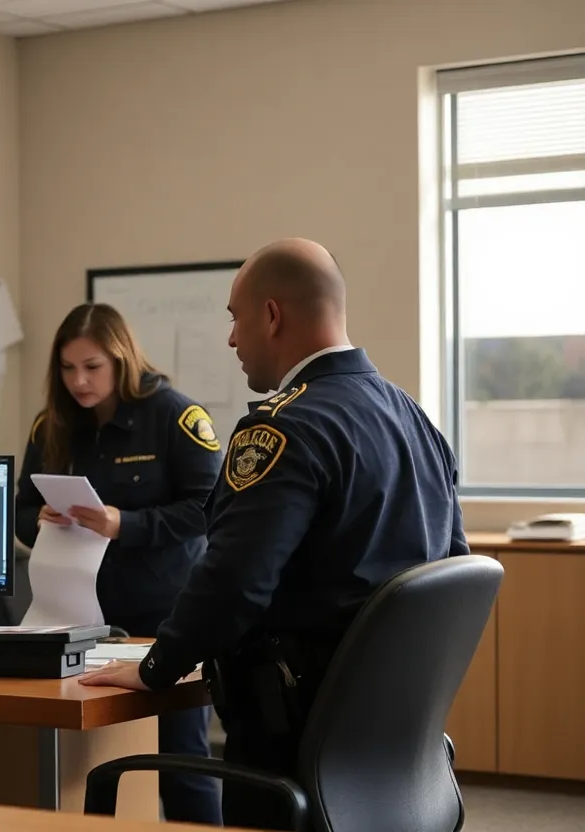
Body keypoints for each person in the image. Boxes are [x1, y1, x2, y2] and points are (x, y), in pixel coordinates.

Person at [78, 238, 469, 830]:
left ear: (272, 315)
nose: (232, 339)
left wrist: (157, 666)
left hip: (294, 748)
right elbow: (453, 566)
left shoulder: (285, 428)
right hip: (392, 749)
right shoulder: (413, 417)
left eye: (235, 318)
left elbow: (234, 581)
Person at [15, 302, 225, 825]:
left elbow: (207, 509)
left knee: (182, 762)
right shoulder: (52, 425)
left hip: (162, 619)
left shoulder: (176, 415)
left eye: (92, 367)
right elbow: (19, 511)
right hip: (77, 616)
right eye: (68, 368)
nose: (79, 381)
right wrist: (38, 520)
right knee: (86, 759)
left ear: (121, 359)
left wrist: (124, 524)